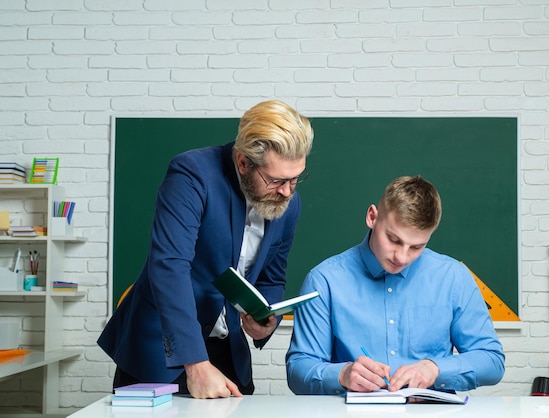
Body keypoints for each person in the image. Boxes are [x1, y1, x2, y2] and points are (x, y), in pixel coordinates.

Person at [98, 100, 314, 399]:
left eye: (295, 179)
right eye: (276, 180)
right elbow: (170, 265)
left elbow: (273, 278)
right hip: (164, 346)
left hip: (228, 350)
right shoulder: (192, 173)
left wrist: (267, 322)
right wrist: (195, 363)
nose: (287, 191)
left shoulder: (289, 204)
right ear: (243, 162)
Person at [286, 175, 505, 395]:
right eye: (393, 239)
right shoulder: (324, 281)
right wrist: (342, 375)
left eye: (416, 247)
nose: (401, 257)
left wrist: (435, 369)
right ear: (372, 217)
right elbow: (298, 371)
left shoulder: (453, 278)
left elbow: (492, 361)